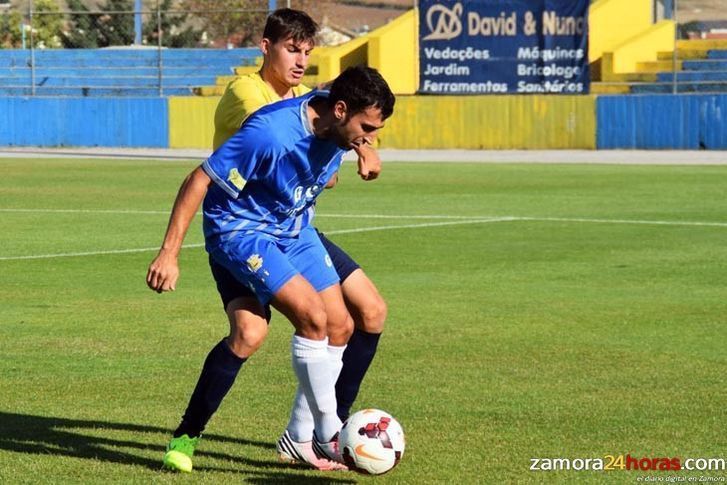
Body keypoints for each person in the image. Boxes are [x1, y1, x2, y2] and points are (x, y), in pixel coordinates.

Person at [146, 64, 395, 473]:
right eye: (367, 126)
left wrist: (363, 145)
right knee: (308, 319)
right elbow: (198, 179)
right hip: (240, 231)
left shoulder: (337, 118)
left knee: (341, 325)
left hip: (293, 230)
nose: (371, 136)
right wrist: (168, 253)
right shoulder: (271, 133)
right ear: (340, 110)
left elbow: (336, 97)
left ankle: (301, 438)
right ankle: (328, 432)